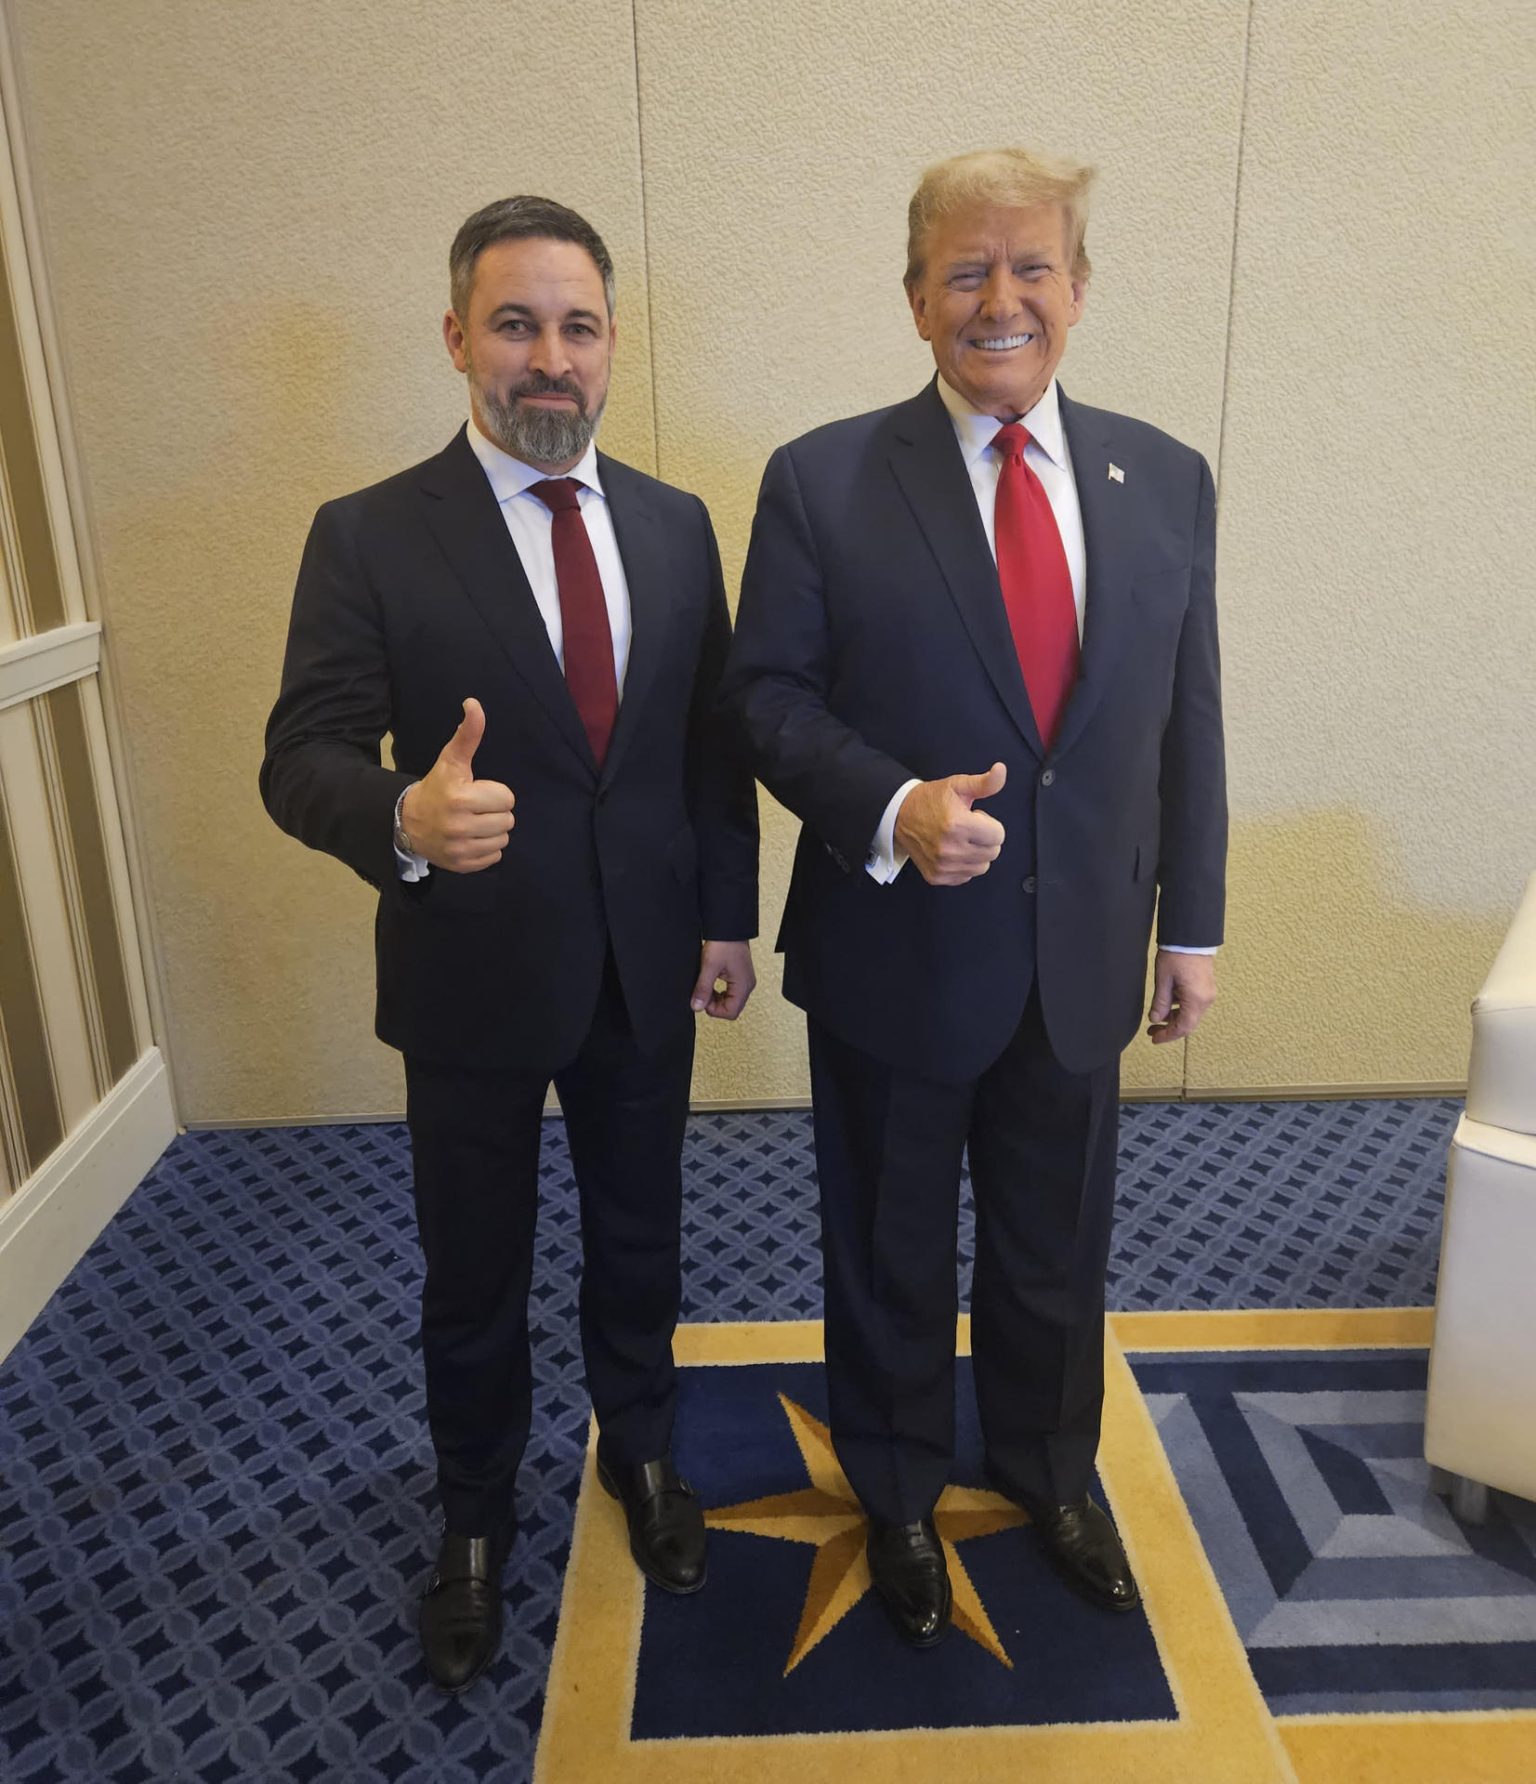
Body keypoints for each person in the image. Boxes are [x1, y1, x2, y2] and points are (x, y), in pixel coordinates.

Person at [721, 148, 1225, 1648]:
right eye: (964, 272)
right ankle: (892, 1493)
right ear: (915, 298)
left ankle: (1046, 1468)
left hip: (1081, 948)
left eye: (1030, 269)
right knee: (886, 1240)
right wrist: (891, 803)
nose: (1000, 301)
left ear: (1079, 285)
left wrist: (1188, 923)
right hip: (897, 946)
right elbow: (763, 699)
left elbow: (1182, 717)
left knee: (1054, 1239)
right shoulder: (821, 479)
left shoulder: (1166, 479)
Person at [261, 196, 758, 1691]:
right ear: (459, 338)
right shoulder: (366, 533)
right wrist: (405, 814)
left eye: (579, 325)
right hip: (470, 968)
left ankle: (646, 1453)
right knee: (472, 1271)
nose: (551, 357)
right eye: (517, 323)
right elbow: (302, 756)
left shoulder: (675, 524)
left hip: (647, 963)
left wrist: (729, 912)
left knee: (642, 1234)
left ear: (612, 347)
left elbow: (709, 746)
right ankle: (474, 1515)